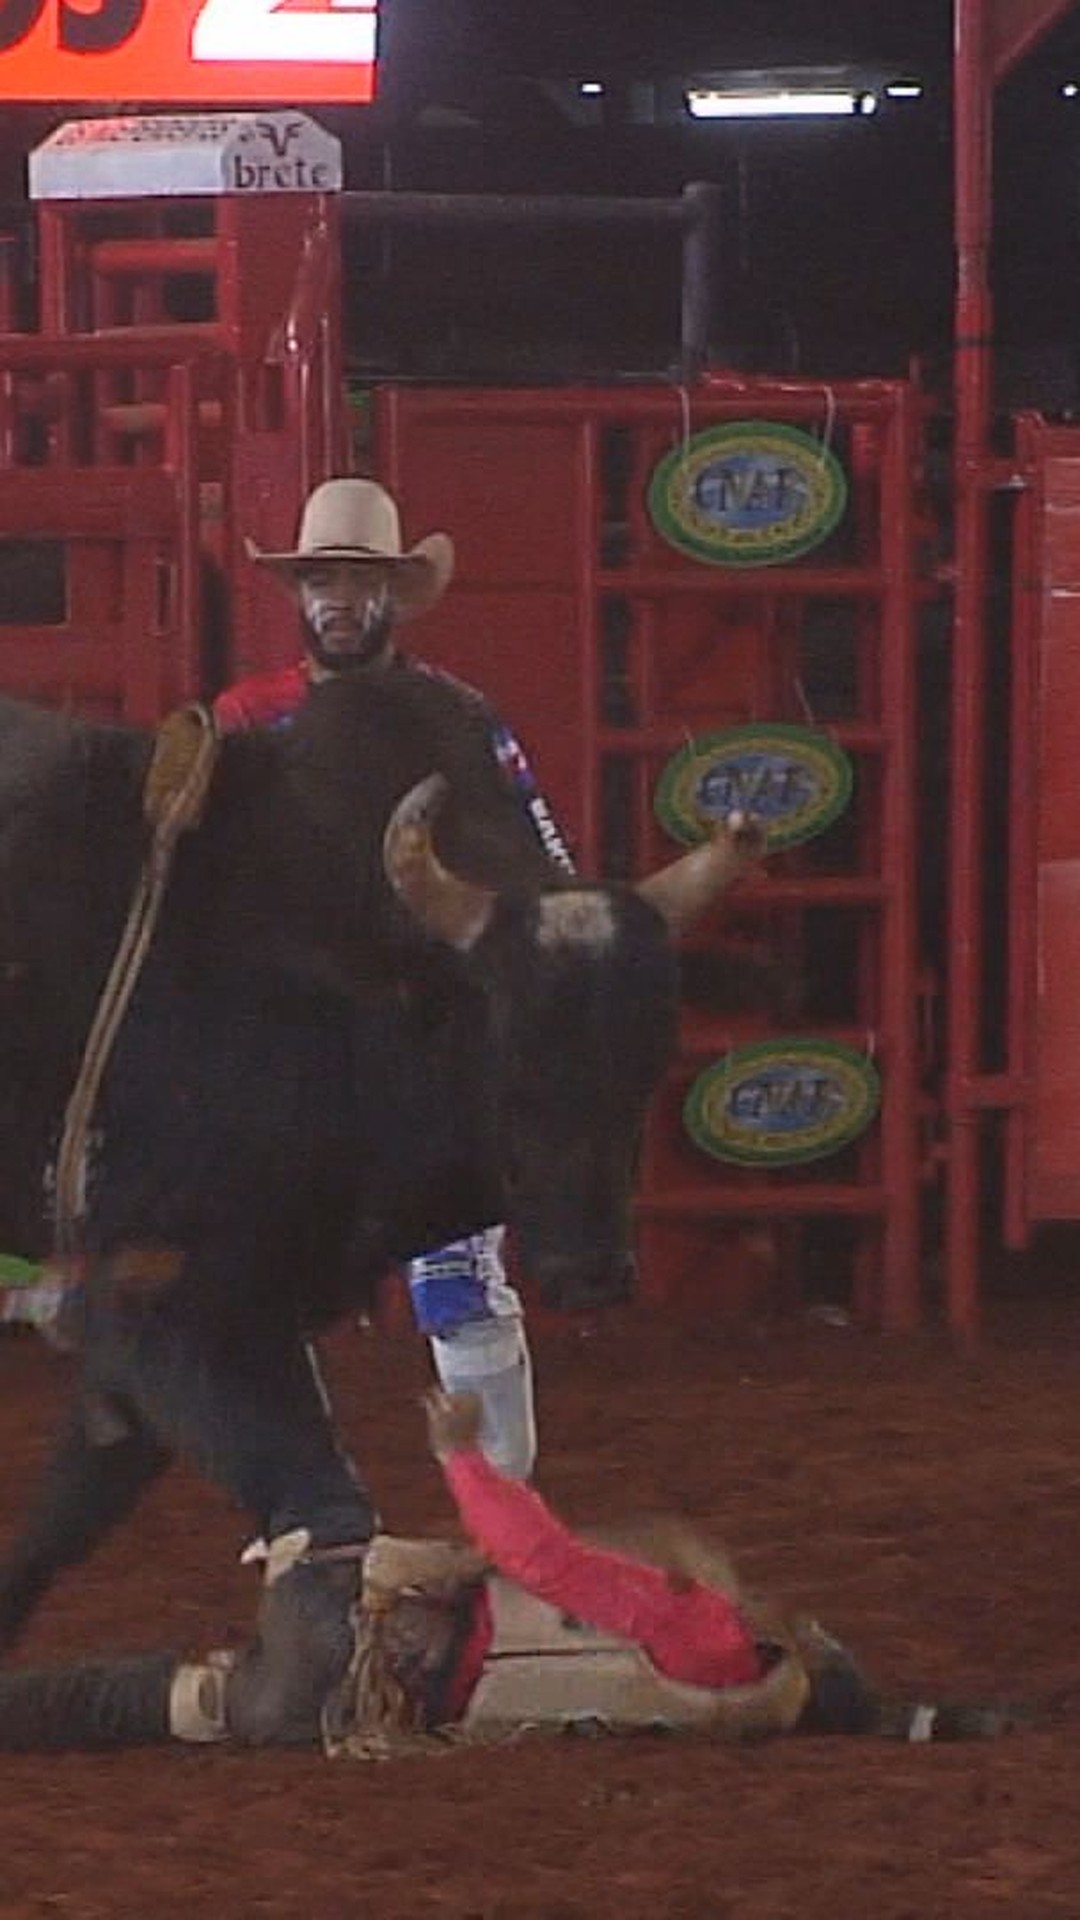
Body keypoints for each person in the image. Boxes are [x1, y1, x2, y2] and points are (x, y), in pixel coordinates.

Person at [0, 1392, 1030, 1753]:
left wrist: (457, 1452)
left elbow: (544, 1559)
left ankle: (143, 1375)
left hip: (350, 1631)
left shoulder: (708, 1635)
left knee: (309, 1486)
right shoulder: (725, 1704)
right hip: (323, 1713)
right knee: (158, 1704)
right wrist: (932, 1720)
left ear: (794, 1651)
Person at [213, 476, 579, 1486]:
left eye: (357, 581)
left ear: (391, 598)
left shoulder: (461, 719)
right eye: (322, 578)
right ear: (299, 595)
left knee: (456, 1279)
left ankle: (502, 1518)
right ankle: (312, 1518)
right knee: (261, 1284)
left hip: (426, 1040)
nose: (337, 599)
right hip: (295, 1039)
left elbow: (539, 865)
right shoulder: (247, 721)